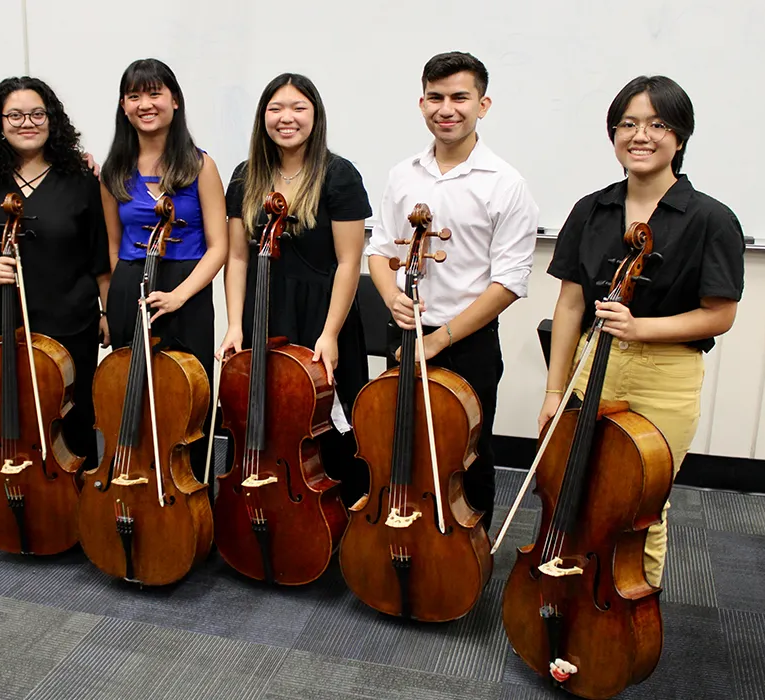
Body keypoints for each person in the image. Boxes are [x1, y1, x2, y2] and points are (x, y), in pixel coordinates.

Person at [540, 75, 744, 588]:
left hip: (665, 375)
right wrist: (553, 390)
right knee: (576, 491)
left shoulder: (711, 219)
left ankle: (630, 613)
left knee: (641, 505)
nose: (640, 135)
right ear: (613, 133)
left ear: (679, 136)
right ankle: (569, 600)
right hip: (594, 365)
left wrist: (641, 327)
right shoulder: (592, 209)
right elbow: (569, 305)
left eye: (657, 124)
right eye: (627, 124)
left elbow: (719, 314)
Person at [365, 51, 539, 532]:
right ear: (421, 104)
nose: (448, 108)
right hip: (404, 331)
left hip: (466, 341)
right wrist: (391, 296)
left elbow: (509, 282)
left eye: (460, 97)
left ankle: (467, 559)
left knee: (467, 456)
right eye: (436, 97)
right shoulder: (403, 174)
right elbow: (379, 250)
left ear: (483, 105)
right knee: (399, 450)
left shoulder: (505, 184)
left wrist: (441, 340)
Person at [217, 73, 371, 507]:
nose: (287, 118)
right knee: (260, 418)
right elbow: (239, 258)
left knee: (326, 422)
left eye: (298, 108)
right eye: (275, 108)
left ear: (315, 116)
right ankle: (257, 512)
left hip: (322, 316)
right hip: (262, 312)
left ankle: (334, 521)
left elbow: (348, 262)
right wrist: (233, 325)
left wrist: (330, 334)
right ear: (262, 117)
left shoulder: (338, 175)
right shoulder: (246, 176)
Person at [0, 76, 109, 477]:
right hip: (8, 321)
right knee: (14, 413)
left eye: (37, 113)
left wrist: (107, 311)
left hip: (72, 320)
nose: (27, 122)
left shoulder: (79, 177)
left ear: (51, 119)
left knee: (74, 414)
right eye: (16, 115)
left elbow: (98, 252)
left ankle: (75, 506)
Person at [99, 58, 227, 484]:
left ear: (174, 100)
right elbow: (114, 248)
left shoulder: (199, 165)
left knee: (188, 403)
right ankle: (133, 490)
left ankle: (187, 501)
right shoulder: (114, 169)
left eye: (154, 93)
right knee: (129, 400)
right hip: (130, 290)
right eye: (134, 96)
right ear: (123, 105)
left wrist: (179, 295)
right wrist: (114, 304)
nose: (145, 104)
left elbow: (219, 247)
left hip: (184, 291)